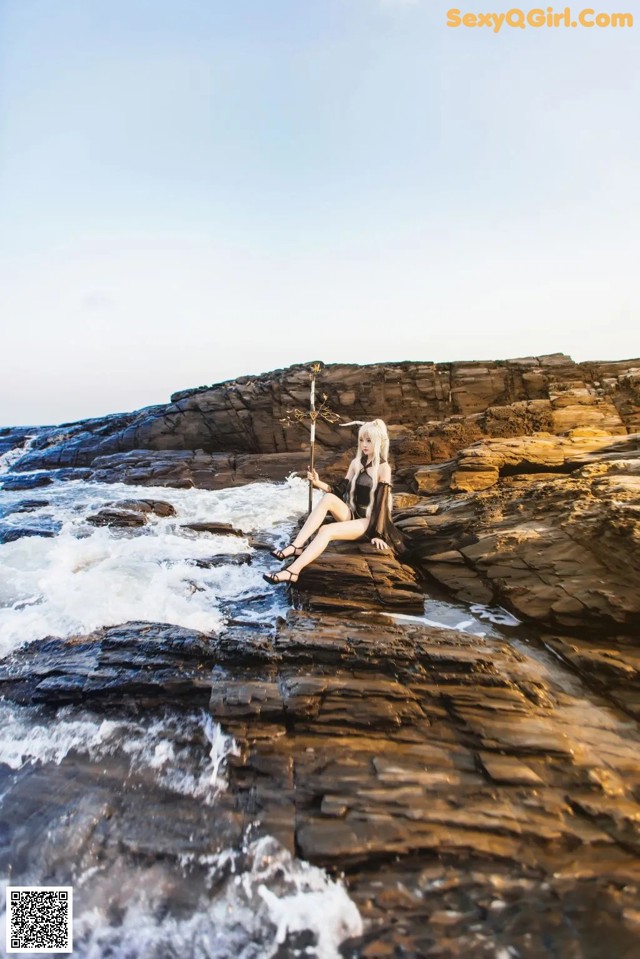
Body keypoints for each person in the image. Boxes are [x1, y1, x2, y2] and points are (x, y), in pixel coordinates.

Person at [263, 418, 404, 586]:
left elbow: (382, 503)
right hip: (352, 514)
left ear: (378, 442)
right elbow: (339, 490)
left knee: (326, 530)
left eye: (369, 440)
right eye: (361, 440)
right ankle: (296, 546)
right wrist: (318, 483)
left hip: (369, 521)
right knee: (328, 498)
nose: (364, 445)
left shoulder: (383, 468)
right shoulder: (356, 463)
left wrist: (378, 534)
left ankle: (293, 571)